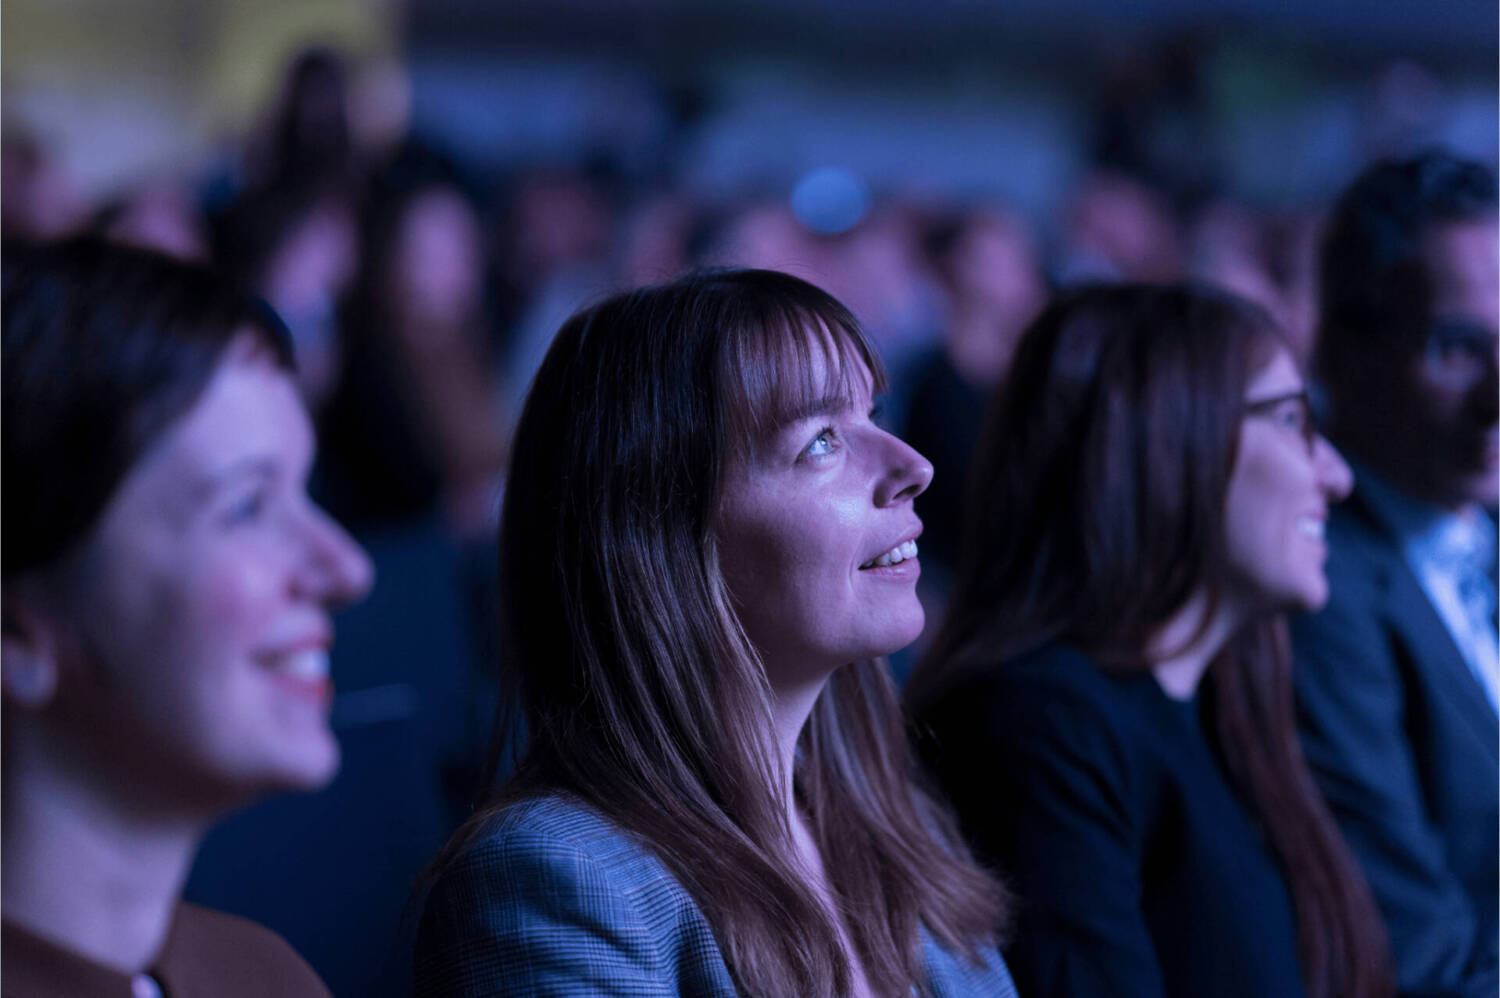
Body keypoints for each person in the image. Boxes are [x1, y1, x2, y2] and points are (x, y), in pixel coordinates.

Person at [414, 268, 1016, 998]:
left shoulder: (893, 827)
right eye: (822, 441)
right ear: (661, 535)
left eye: (874, 416)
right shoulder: (553, 877)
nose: (912, 467)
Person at [906, 284, 1394, 998]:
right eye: (1292, 420)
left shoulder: (1226, 707)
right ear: (1166, 437)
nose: (1337, 476)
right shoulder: (1038, 723)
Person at [1, 239, 373, 997]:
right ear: (16, 632)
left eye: (305, 494)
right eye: (246, 506)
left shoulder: (268, 978)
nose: (347, 569)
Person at [1292, 151, 1499, 998]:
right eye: (1458, 349)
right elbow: (1414, 957)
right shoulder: (1314, 589)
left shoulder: (1478, 530)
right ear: (1344, 350)